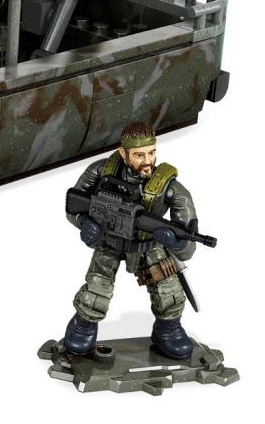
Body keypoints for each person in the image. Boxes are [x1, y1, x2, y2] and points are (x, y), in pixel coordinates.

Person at [63, 121, 196, 359]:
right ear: (123, 153)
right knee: (97, 290)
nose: (147, 161)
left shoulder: (169, 188)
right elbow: (73, 205)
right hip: (110, 241)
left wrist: (175, 242)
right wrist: (85, 223)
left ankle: (168, 328)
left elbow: (188, 240)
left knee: (168, 291)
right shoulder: (100, 171)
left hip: (148, 245)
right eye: (139, 155)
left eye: (152, 152)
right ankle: (83, 325)